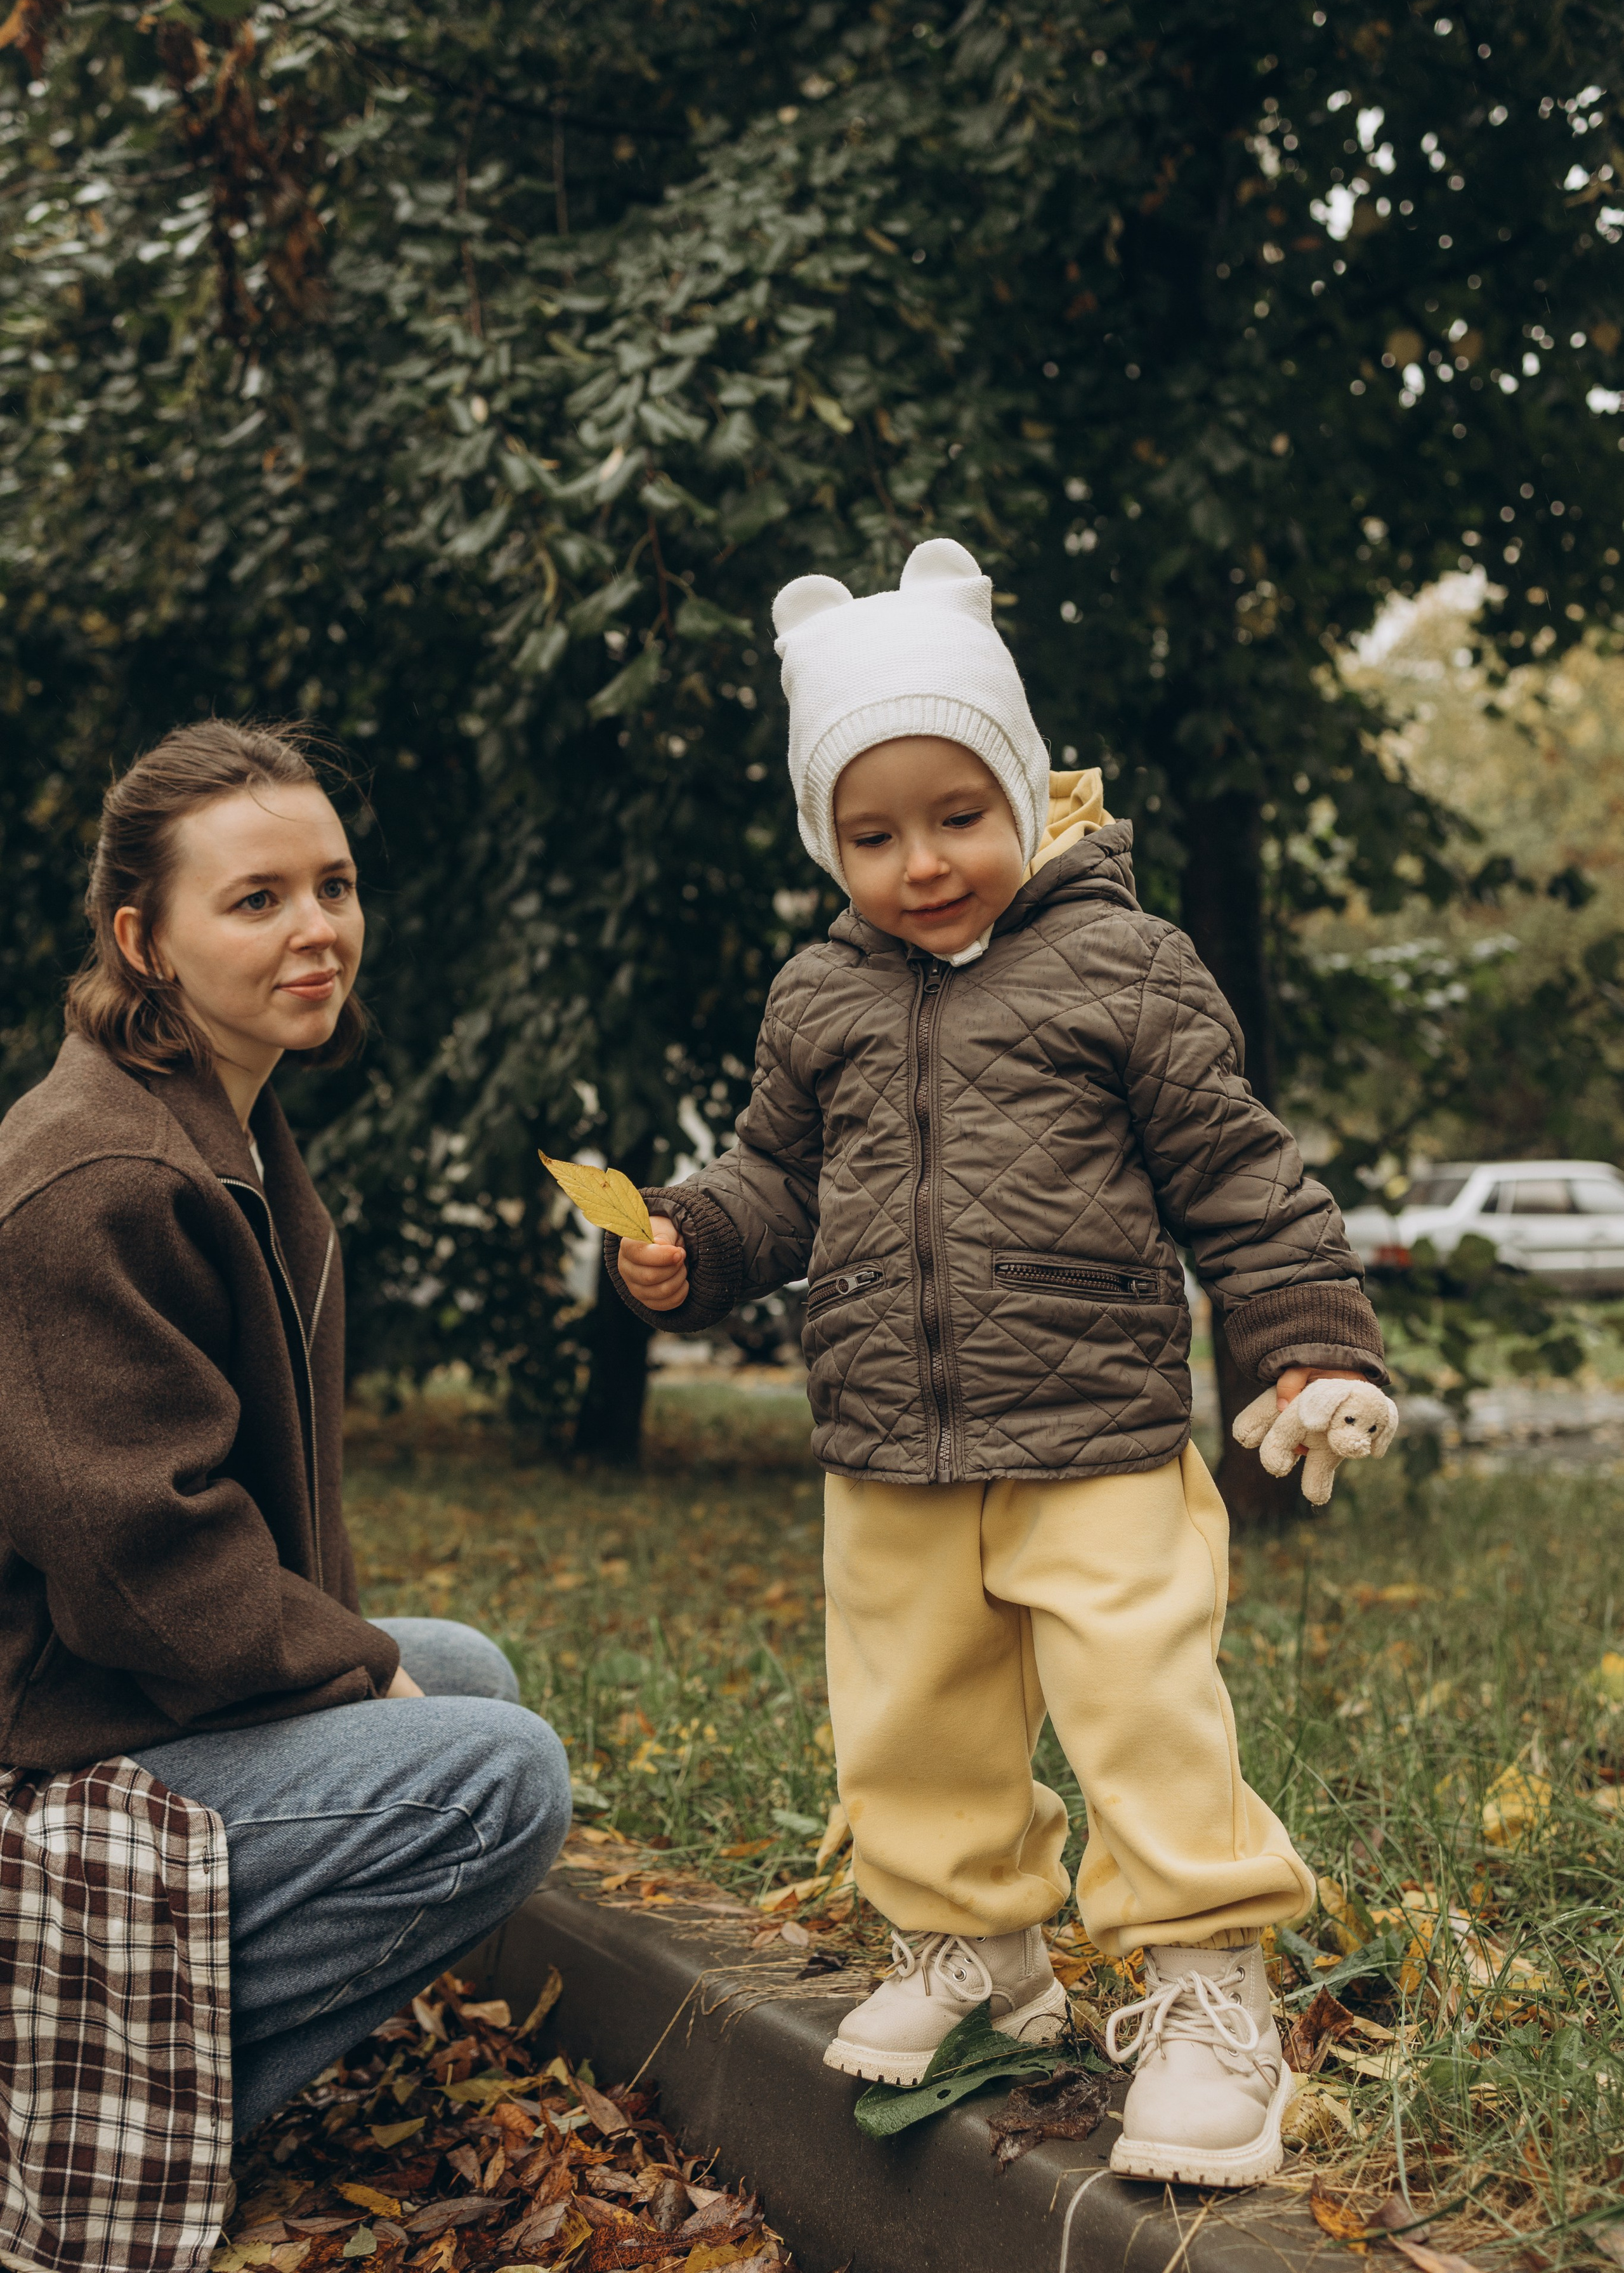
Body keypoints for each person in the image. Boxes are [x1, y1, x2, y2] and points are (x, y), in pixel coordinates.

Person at [608, 539, 1389, 2191]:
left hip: (1097, 1432)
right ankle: (977, 1954)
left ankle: (1208, 1988)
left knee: (1141, 1703)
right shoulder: (818, 996)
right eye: (871, 835)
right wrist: (693, 1235)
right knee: (911, 1714)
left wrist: (1309, 1345)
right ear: (825, 839)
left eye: (958, 815)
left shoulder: (1124, 965)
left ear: (1024, 787)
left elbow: (1241, 1180)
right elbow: (774, 1179)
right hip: (888, 1443)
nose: (921, 864)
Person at [0, 720, 571, 2159]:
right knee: (499, 1773)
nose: (317, 929)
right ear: (144, 941)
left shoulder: (224, 1127)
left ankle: (148, 2076)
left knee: (465, 1677)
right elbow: (140, 1567)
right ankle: (93, 2119)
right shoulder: (100, 1174)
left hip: (100, 1695)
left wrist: (366, 1665)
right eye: (257, 899)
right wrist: (353, 1668)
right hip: (39, 1748)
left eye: (334, 886)